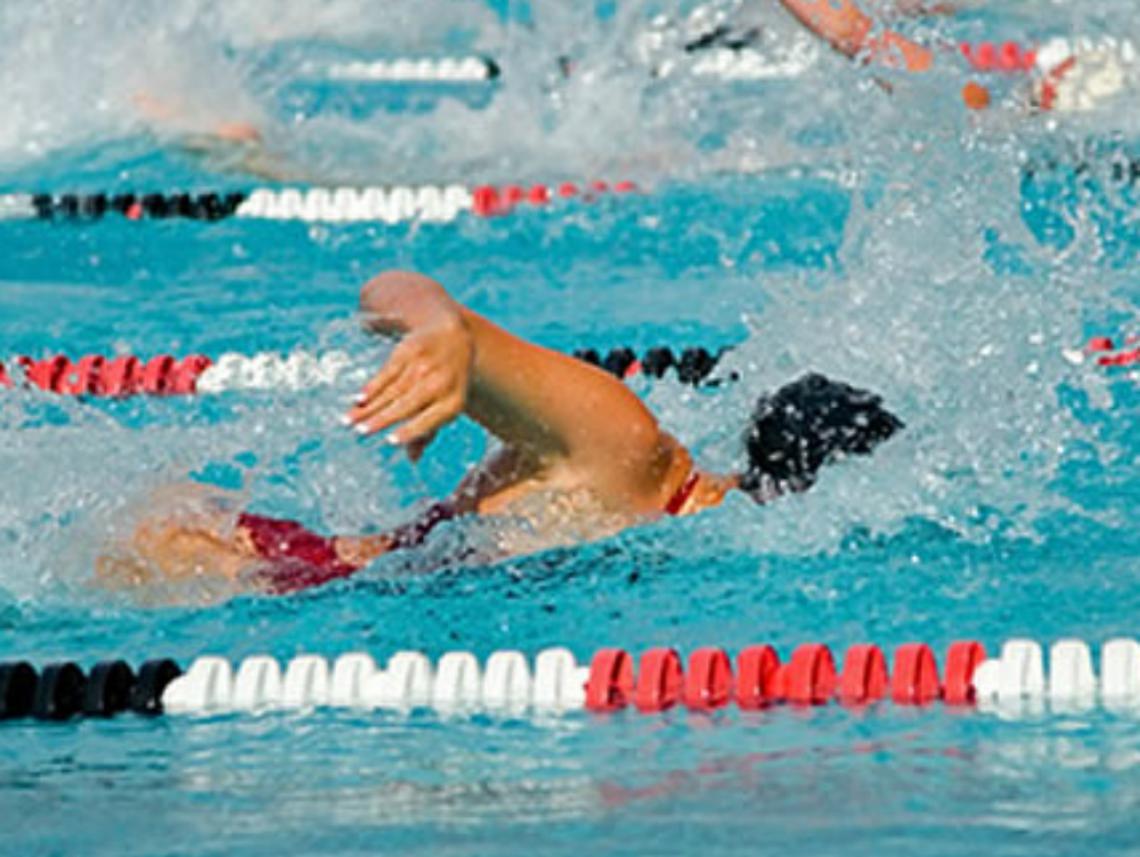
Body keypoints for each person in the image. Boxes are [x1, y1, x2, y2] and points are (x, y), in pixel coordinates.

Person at [96, 270, 903, 595]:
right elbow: (390, 286)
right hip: (256, 565)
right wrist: (441, 329)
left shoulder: (677, 532)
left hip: (290, 574)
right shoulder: (629, 447)